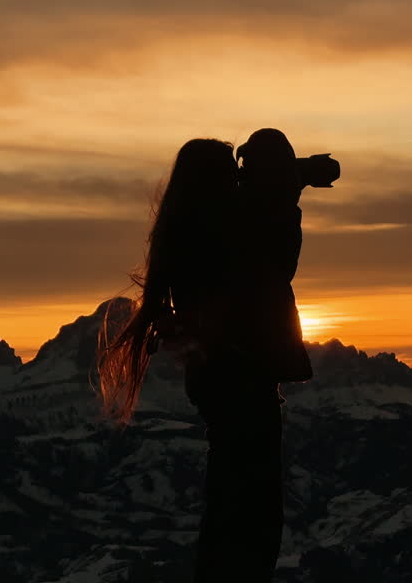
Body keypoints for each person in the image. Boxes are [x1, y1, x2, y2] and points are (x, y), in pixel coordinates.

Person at [96, 130, 314, 582]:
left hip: (222, 379)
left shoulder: (194, 228)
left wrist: (286, 181)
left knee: (233, 506)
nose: (240, 179)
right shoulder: (225, 234)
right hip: (242, 378)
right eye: (232, 172)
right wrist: (287, 183)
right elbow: (277, 262)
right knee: (251, 514)